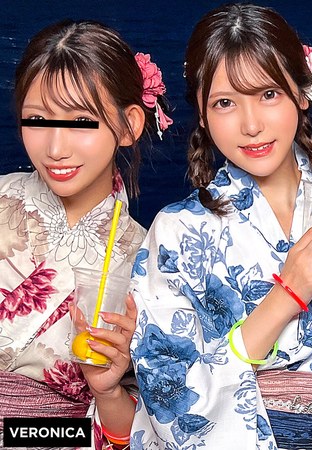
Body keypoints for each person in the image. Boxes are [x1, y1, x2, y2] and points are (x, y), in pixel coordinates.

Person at [129, 4, 312, 449]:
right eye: (225, 103)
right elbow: (169, 397)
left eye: (269, 94)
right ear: (201, 112)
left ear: (301, 92)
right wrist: (287, 295)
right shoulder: (176, 231)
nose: (252, 124)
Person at [0, 20, 170, 449]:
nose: (55, 148)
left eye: (80, 121)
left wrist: (107, 391)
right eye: (37, 120)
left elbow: (129, 438)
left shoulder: (150, 259)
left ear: (129, 124)